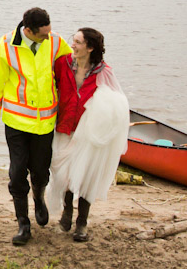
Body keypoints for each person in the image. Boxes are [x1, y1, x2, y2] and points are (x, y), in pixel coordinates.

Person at [0, 7, 73, 246]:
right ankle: (23, 223)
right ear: (28, 31)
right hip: (16, 121)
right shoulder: (6, 45)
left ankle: (39, 197)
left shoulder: (54, 41)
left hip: (45, 122)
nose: (48, 36)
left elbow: (74, 64)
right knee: (17, 172)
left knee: (41, 172)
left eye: (50, 31)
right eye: (43, 34)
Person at [48, 28, 129, 242]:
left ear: (90, 48)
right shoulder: (61, 64)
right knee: (64, 174)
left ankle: (82, 222)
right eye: (72, 40)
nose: (72, 45)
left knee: (86, 175)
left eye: (77, 42)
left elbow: (118, 103)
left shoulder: (104, 71)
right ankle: (67, 213)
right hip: (65, 127)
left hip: (89, 133)